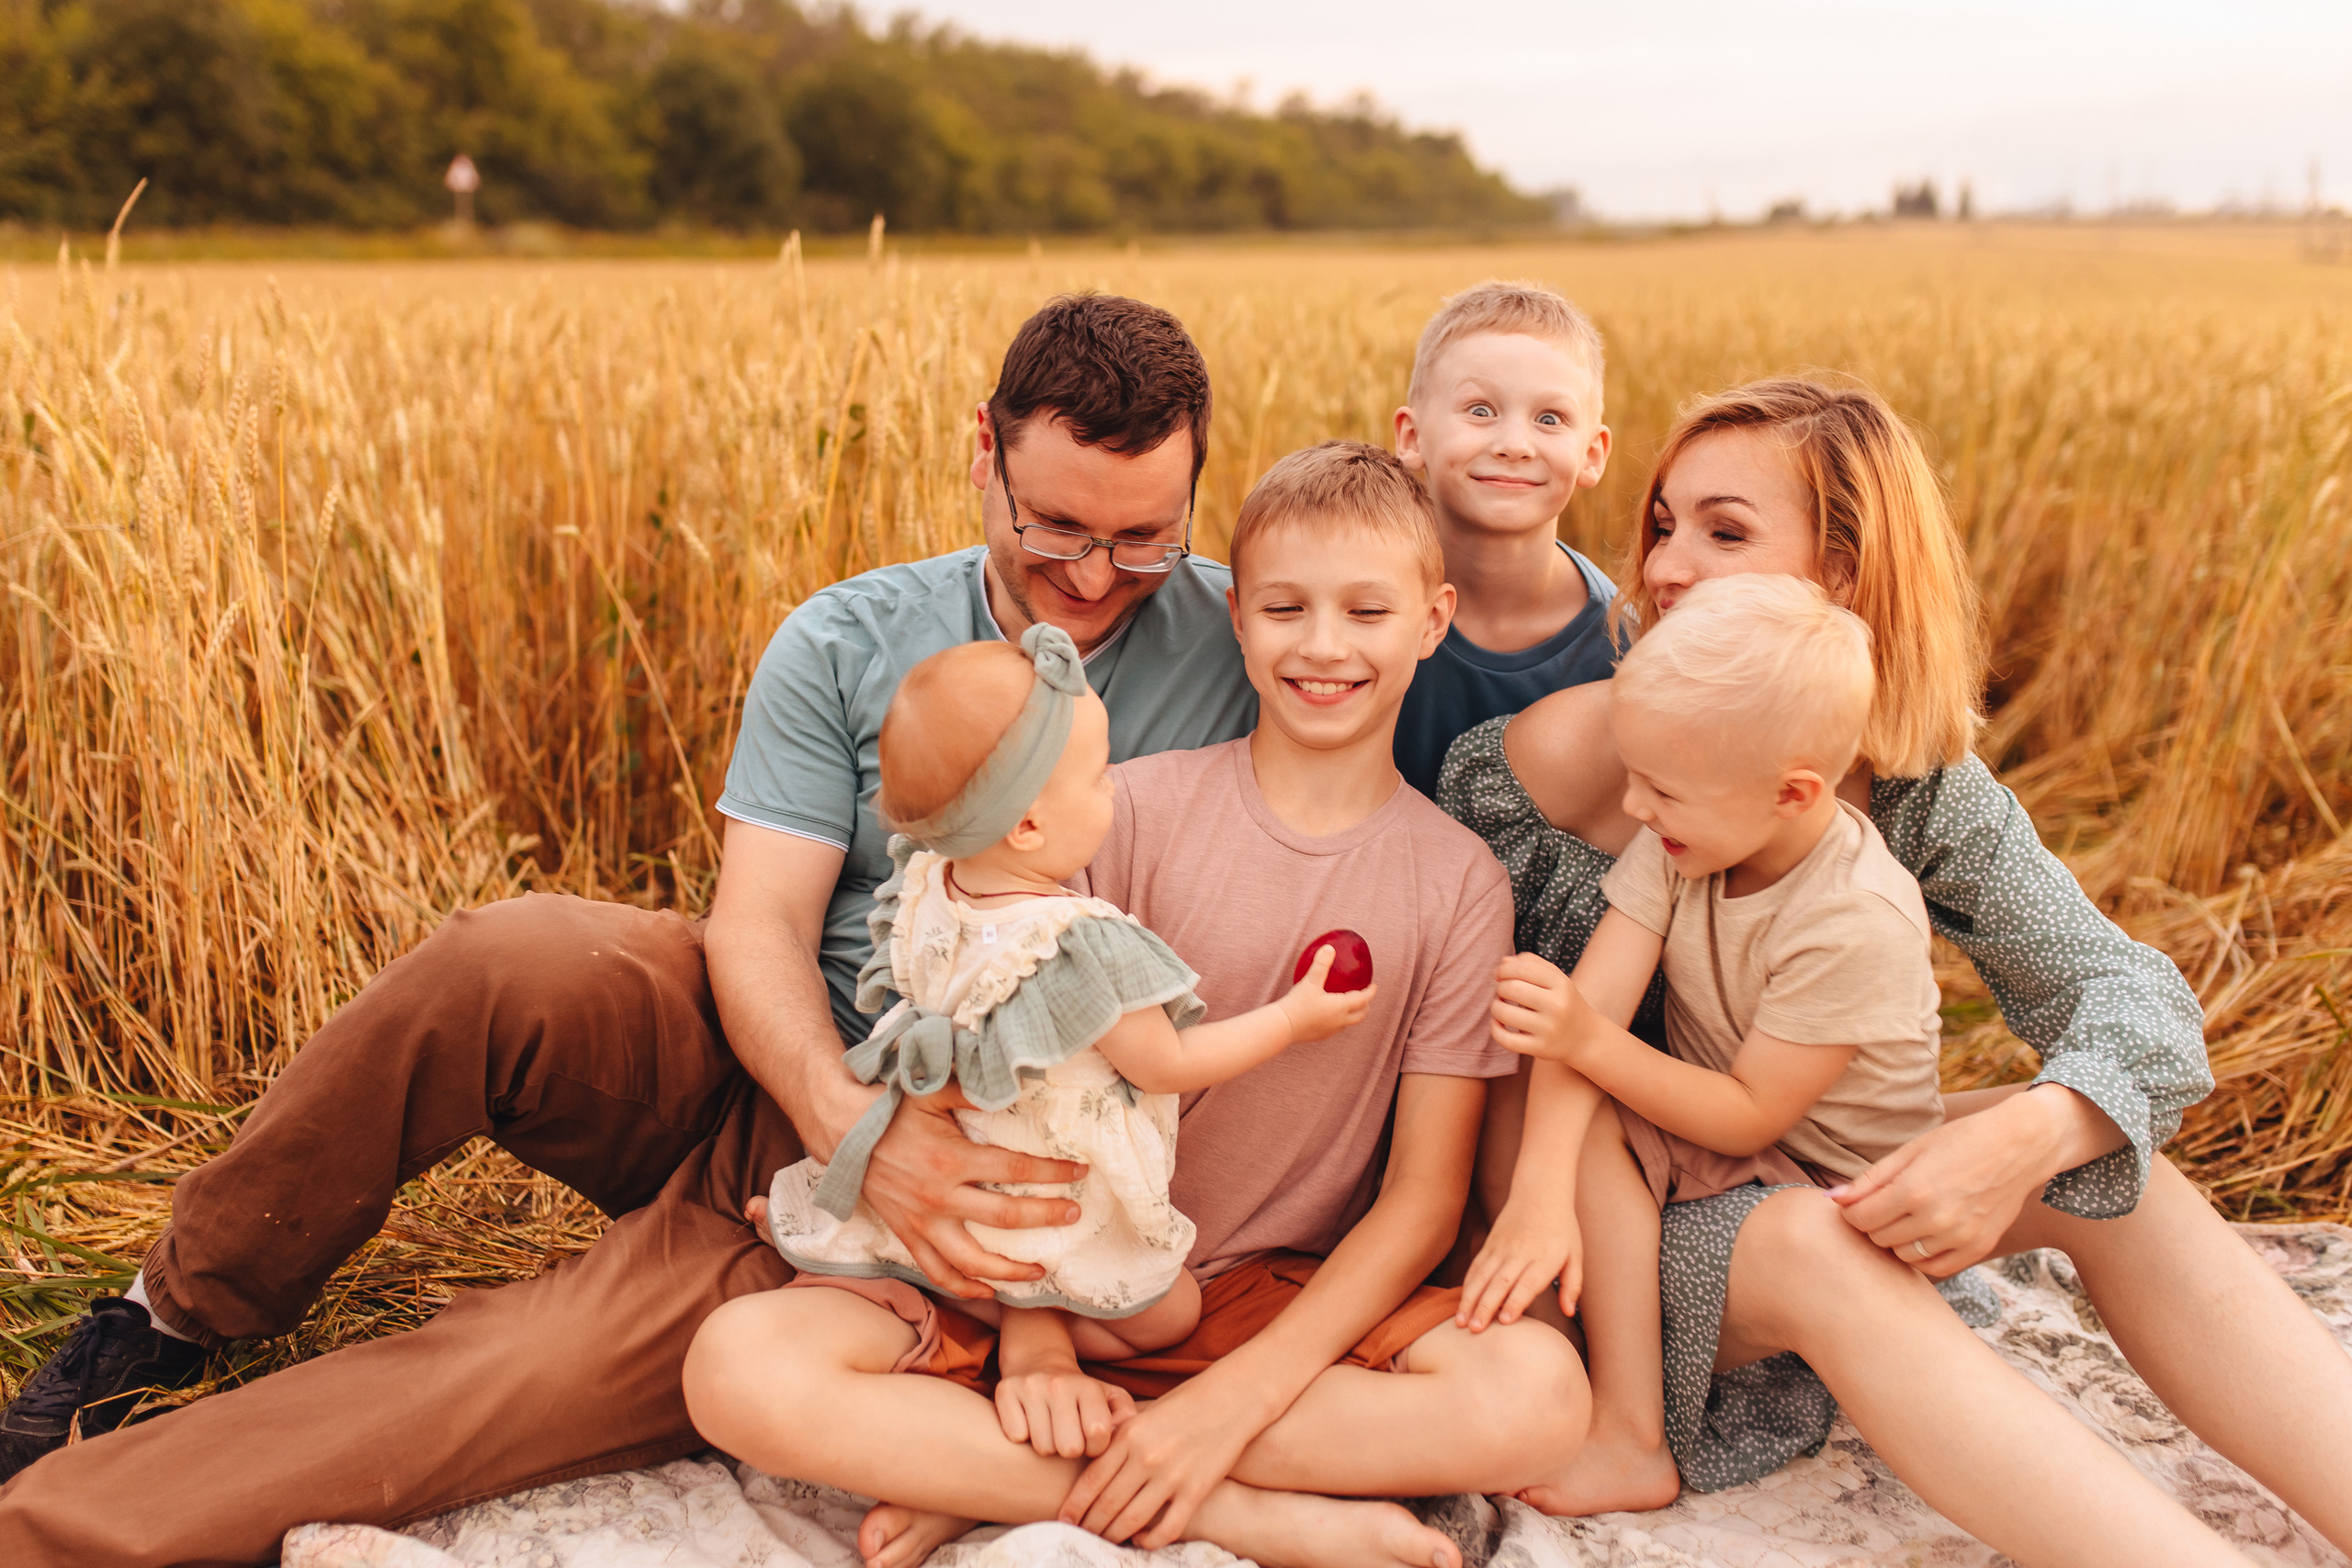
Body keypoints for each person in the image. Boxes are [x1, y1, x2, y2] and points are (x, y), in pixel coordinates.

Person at [0, 295, 1267, 1567]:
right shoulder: (847, 637)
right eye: (1056, 527)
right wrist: (850, 1125)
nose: (1092, 576)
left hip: (930, 1194)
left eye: (1141, 540)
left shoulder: (1252, 650)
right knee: (506, 958)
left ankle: (43, 1529)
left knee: (500, 1376)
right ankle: (172, 1312)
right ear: (983, 449)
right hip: (790, 1069)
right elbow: (757, 924)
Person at [1441, 377, 2352, 1563]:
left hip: (1789, 1163)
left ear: (1844, 574)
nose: (1661, 567)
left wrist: (2031, 1130)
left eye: (1723, 532)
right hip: (1588, 1228)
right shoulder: (1534, 774)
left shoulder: (1918, 788)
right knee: (1809, 1239)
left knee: (2117, 1170)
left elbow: (2135, 997)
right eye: (1662, 524)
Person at [684, 442, 1587, 1568]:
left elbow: (1420, 1198)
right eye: (1285, 609)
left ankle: (1011, 1470)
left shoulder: (1458, 883)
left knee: (1535, 1394)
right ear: (1236, 620)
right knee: (739, 1366)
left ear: (1431, 620)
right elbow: (1012, 1089)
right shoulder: (1119, 813)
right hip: (1046, 1275)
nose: (1322, 645)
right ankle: (1222, 1508)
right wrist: (1038, 1340)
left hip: (1249, 1300)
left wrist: (1231, 1403)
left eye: (1366, 611)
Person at [755, 625, 1370, 1443]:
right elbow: (1167, 1062)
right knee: (1172, 1310)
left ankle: (914, 1276)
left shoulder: (926, 886)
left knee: (949, 1254)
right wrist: (1293, 1018)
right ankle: (1032, 1319)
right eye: (1098, 776)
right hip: (1047, 1192)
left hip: (953, 1169)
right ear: (1029, 828)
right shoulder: (1077, 941)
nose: (1114, 787)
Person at [1460, 572, 1955, 1516]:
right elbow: (1594, 1005)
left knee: (1584, 1080)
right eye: (1634, 776)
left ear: (1793, 792)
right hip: (1724, 1133)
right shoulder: (1686, 837)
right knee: (1525, 1081)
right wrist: (1539, 1195)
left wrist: (1584, 1039)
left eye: (1662, 789)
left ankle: (1631, 1433)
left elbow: (1747, 1115)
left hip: (1828, 1181)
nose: (1635, 807)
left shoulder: (1853, 918)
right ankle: (1528, 1310)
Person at [1389, 280, 1618, 800]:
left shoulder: (1622, 649)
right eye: (1480, 410)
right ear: (1412, 437)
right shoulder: (1356, 607)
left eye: (1550, 419)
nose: (1515, 445)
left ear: (1592, 454)